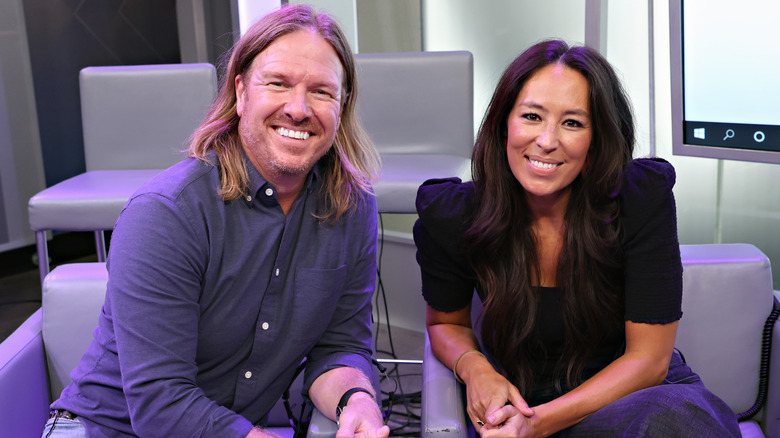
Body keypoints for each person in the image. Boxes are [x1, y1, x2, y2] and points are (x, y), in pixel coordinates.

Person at [42, 5, 390, 438]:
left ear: (342, 105)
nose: (299, 109)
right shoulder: (166, 212)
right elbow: (160, 403)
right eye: (278, 84)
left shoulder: (352, 208)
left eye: (322, 91)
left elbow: (340, 346)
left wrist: (356, 403)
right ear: (241, 93)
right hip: (107, 429)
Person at [414, 39, 741, 437]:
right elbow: (445, 324)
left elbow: (650, 360)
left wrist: (537, 425)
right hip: (522, 404)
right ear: (504, 125)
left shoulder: (639, 201)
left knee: (672, 420)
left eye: (572, 123)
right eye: (532, 116)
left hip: (633, 402)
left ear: (597, 139)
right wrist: (477, 369)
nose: (547, 140)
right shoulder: (455, 214)